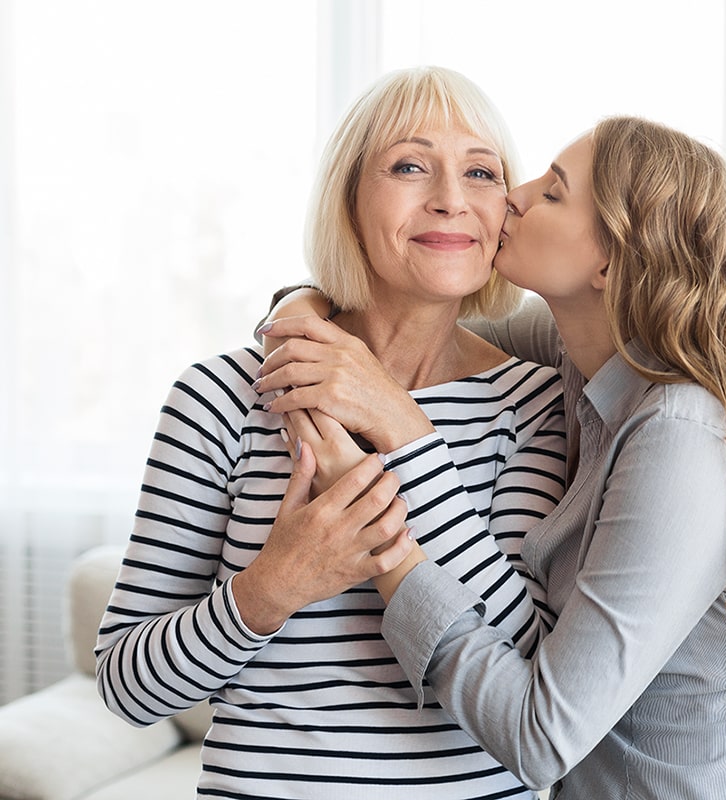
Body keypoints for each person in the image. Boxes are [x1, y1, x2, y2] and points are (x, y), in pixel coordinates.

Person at [259, 115, 726, 798]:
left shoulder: (682, 436)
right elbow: (405, 330)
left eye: (552, 192)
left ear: (608, 263)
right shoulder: (588, 353)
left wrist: (387, 536)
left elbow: (540, 738)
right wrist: (302, 310)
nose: (514, 193)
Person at [94, 66, 567, 800]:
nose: (450, 198)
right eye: (410, 165)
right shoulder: (220, 397)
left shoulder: (536, 403)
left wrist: (406, 432)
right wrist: (270, 589)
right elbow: (126, 687)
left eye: (481, 171)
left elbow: (531, 662)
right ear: (347, 198)